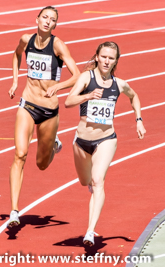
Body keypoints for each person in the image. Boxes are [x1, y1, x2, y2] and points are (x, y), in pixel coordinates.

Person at [65, 41, 146, 246]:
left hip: (106, 139)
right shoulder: (87, 77)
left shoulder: (119, 84)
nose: (107, 61)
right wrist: (89, 95)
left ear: (115, 61)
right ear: (97, 57)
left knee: (98, 180)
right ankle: (91, 187)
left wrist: (139, 120)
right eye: (104, 57)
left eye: (111, 58)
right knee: (86, 182)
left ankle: (90, 232)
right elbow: (68, 101)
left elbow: (134, 96)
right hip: (82, 141)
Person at [8, 6, 80, 228]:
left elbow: (77, 75)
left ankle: (53, 146)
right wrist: (15, 81)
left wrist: (58, 86)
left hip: (49, 111)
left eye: (52, 19)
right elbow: (16, 54)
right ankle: (14, 212)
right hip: (27, 103)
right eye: (45, 17)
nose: (47, 21)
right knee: (20, 154)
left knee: (41, 164)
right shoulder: (26, 39)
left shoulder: (57, 45)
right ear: (37, 19)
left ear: (55, 25)